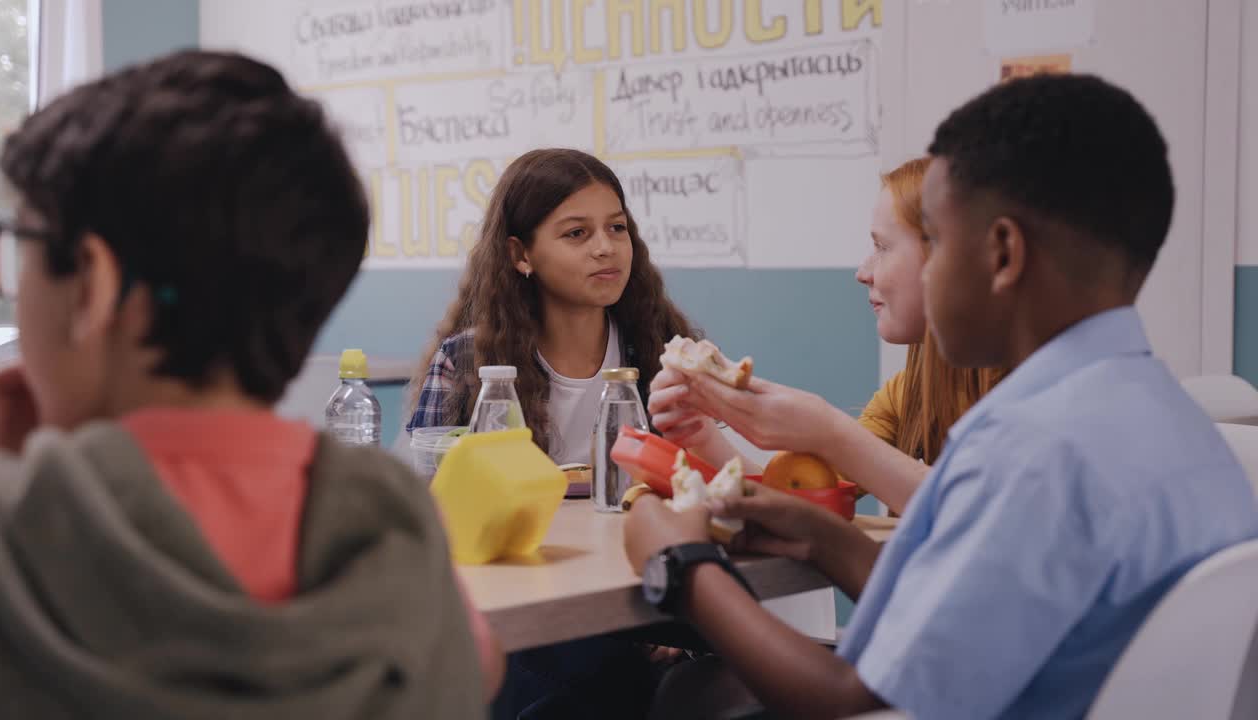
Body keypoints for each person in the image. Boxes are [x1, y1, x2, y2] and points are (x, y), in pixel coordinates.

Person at [623, 73, 1258, 719]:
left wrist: (680, 566)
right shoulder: (1178, 425)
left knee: (686, 695)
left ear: (1003, 253)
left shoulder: (1028, 449)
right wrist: (825, 540)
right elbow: (977, 620)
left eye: (938, 240)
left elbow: (853, 701)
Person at [0, 50, 499, 718]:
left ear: (91, 282)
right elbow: (479, 666)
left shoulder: (1, 533)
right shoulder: (396, 533)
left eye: (16, 251)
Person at [649, 157, 1003, 514]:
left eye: (882, 247)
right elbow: (800, 500)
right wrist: (705, 435)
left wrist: (828, 431)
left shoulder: (1022, 398)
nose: (863, 272)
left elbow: (980, 513)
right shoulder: (906, 393)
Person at [407, 148, 697, 466]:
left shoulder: (663, 348)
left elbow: (697, 478)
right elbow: (428, 497)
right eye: (576, 233)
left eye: (617, 228)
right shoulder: (463, 363)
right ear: (521, 256)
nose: (605, 248)